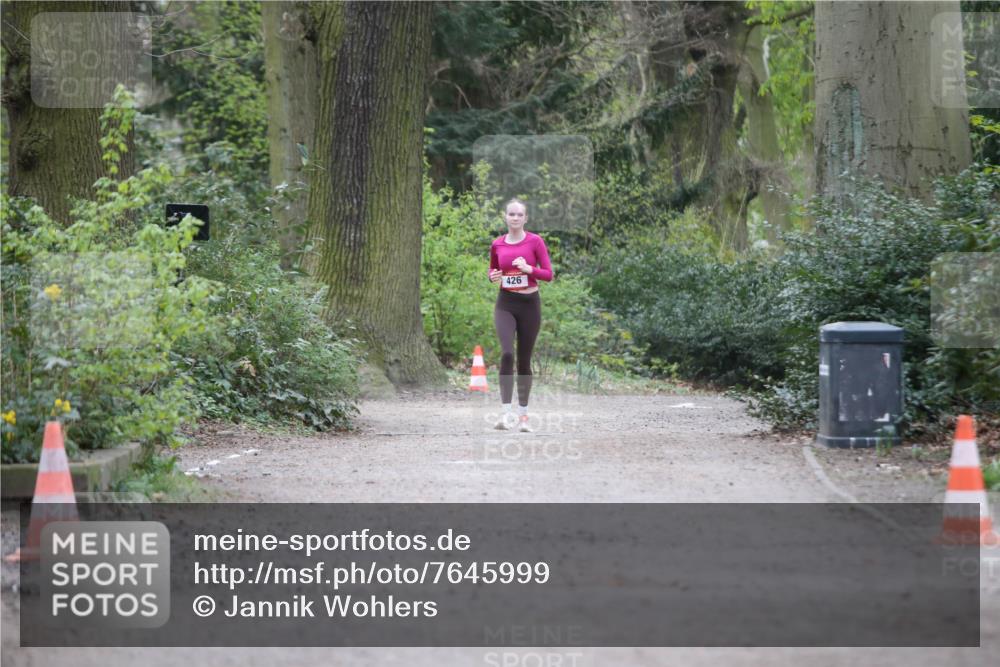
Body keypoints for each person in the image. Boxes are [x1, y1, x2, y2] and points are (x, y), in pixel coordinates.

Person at [488, 198, 554, 432]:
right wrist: (492, 277)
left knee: (524, 360)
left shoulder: (535, 242)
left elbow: (548, 274)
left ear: (525, 218)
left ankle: (523, 415)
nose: (515, 218)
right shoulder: (497, 244)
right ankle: (506, 414)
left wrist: (529, 269)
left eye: (519, 215)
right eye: (511, 214)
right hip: (506, 302)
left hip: (529, 305)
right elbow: (493, 270)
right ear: (505, 217)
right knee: (507, 353)